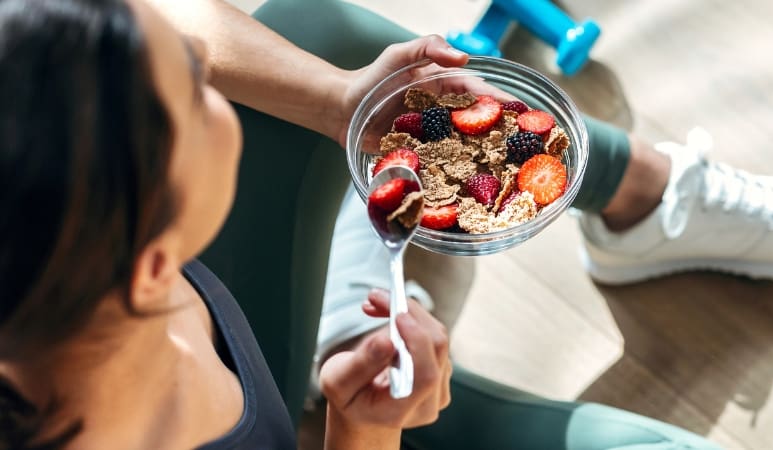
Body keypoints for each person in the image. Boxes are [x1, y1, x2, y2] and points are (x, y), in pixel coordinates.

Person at [151, 0, 773, 448]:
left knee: (317, 28)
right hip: (261, 402)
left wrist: (338, 102)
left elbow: (142, 21)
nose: (194, 85)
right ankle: (349, 346)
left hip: (206, 319)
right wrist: (364, 431)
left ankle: (638, 198)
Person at [0, 0, 453, 448]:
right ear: (155, 266)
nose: (203, 52)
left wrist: (339, 97)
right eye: (196, 89)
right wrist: (366, 431)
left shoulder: (86, 259)